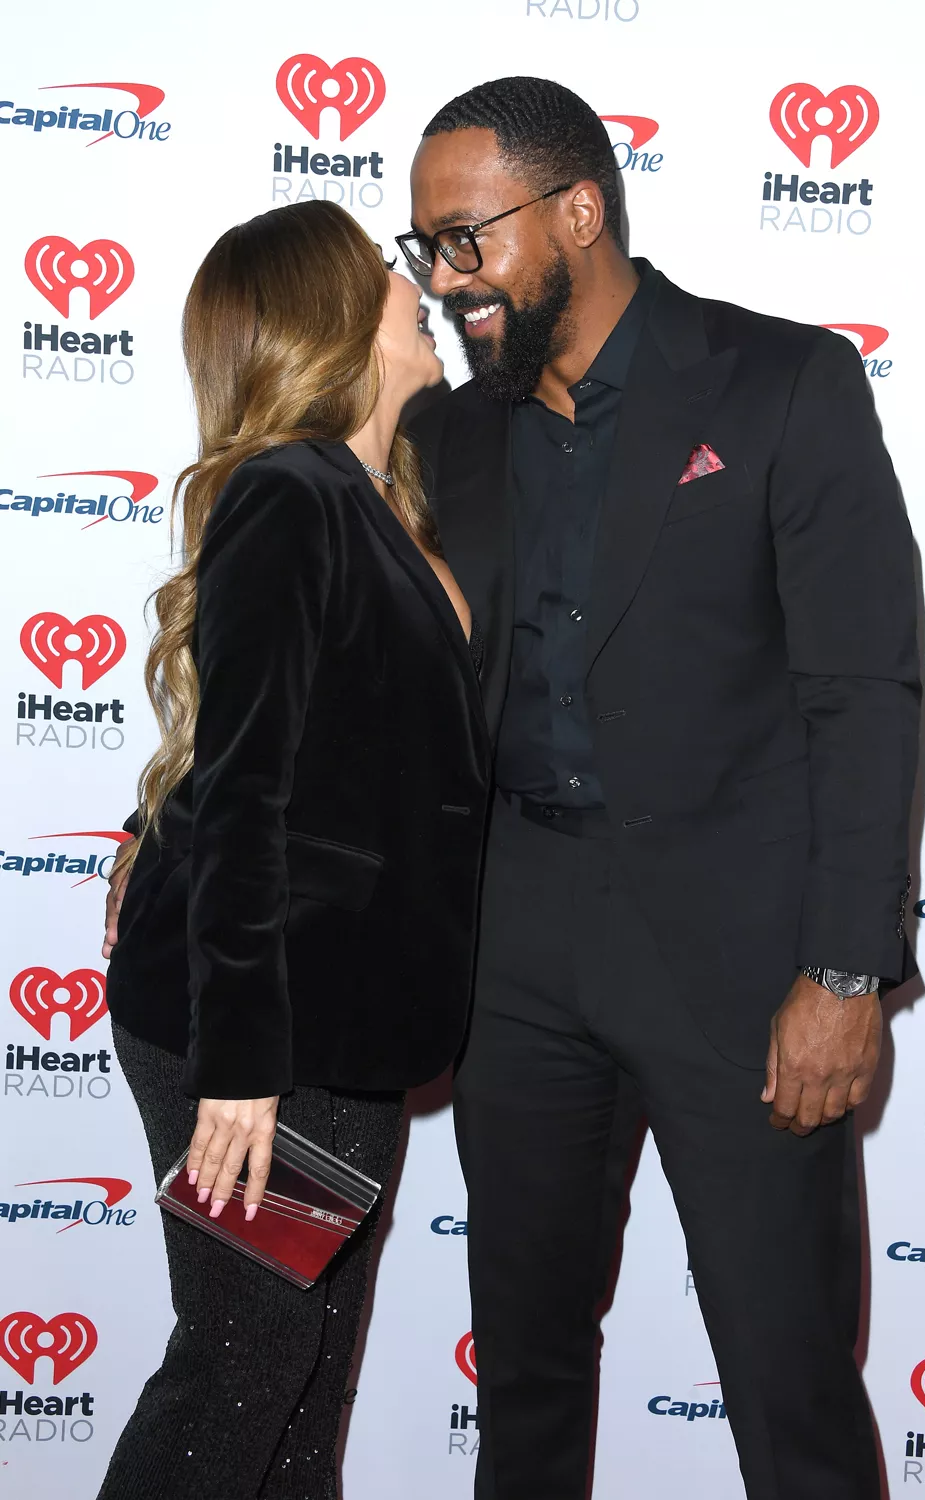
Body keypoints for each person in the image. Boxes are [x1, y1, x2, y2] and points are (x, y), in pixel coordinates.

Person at [398, 77, 920, 1499]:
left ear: (576, 211)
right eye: (425, 252)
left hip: (743, 965)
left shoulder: (778, 383)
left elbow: (863, 697)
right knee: (523, 1374)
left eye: (465, 240)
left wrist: (841, 970)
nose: (447, 280)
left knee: (787, 1376)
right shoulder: (450, 436)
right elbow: (334, 665)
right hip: (517, 951)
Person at [98, 199, 488, 1499]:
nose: (413, 285)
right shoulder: (292, 494)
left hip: (341, 1033)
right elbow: (253, 792)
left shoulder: (380, 508)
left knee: (300, 1378)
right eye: (386, 271)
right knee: (242, 1371)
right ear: (333, 317)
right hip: (261, 1039)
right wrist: (243, 1067)